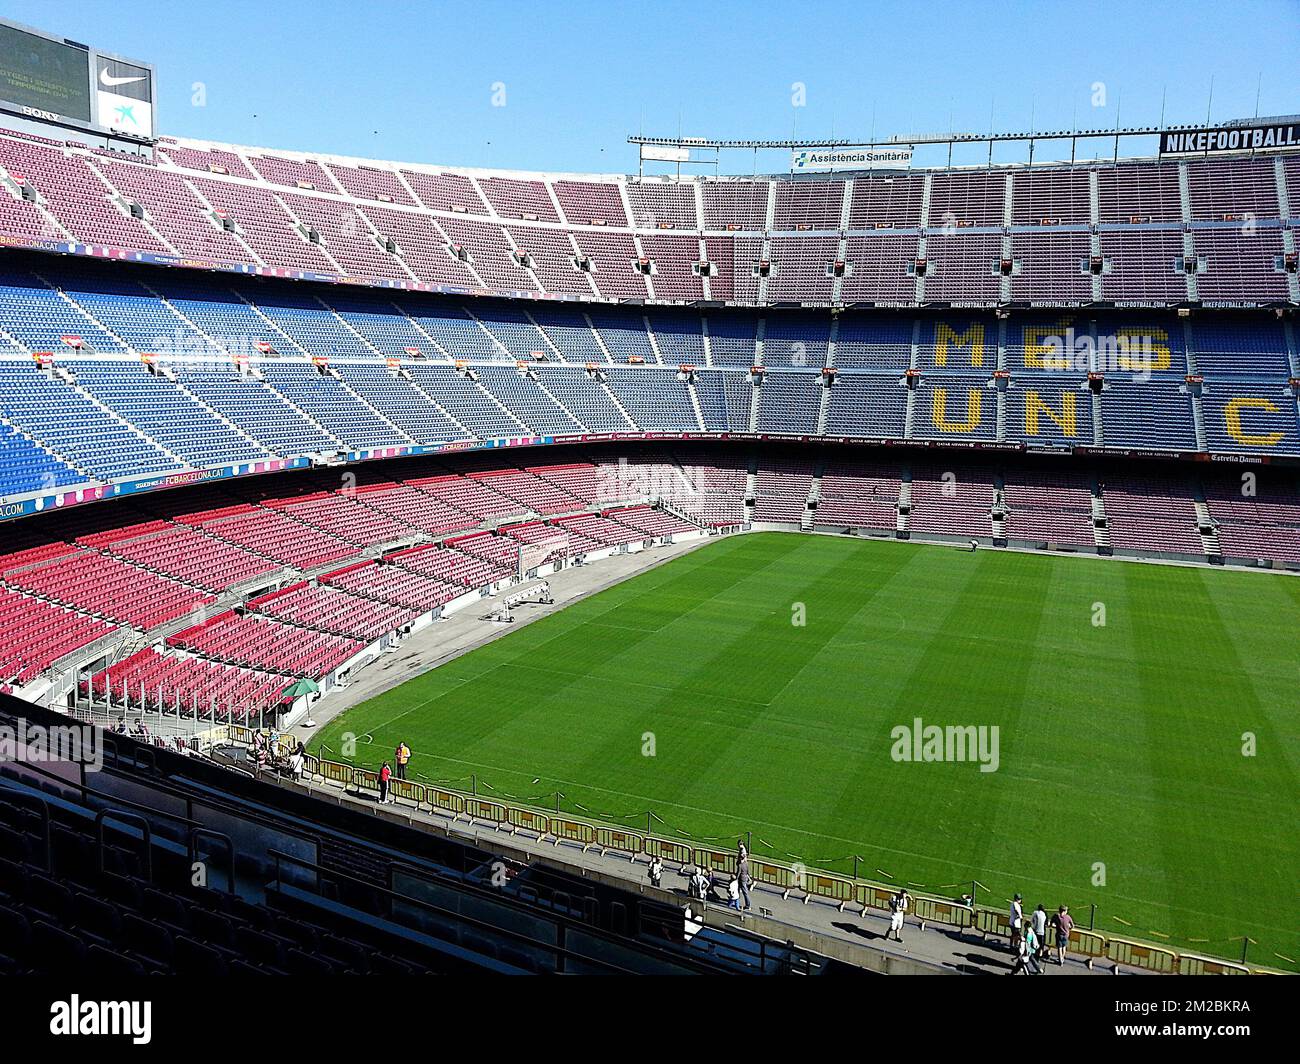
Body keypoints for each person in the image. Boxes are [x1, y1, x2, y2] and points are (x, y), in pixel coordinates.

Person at [736, 845, 753, 911]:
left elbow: (738, 873)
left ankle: (747, 905)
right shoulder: (746, 863)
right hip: (745, 878)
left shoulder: (740, 865)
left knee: (744, 892)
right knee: (742, 891)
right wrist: (749, 877)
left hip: (741, 879)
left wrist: (736, 879)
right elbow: (748, 871)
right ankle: (739, 901)